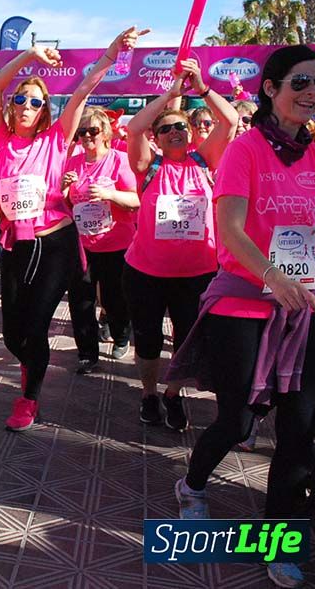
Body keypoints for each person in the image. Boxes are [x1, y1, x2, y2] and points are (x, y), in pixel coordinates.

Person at [169, 45, 315, 588]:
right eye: (299, 83)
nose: (311, 93)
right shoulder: (244, 150)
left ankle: (279, 538)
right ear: (270, 88)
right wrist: (273, 278)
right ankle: (193, 487)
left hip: (306, 305)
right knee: (238, 420)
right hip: (245, 300)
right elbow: (232, 232)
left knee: (297, 429)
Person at [0, 27, 147, 432]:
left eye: (35, 102)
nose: (25, 105)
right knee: (12, 335)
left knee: (35, 327)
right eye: (20, 99)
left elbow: (82, 92)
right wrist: (29, 57)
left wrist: (110, 53)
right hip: (14, 244)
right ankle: (29, 378)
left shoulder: (56, 140)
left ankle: (29, 399)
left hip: (54, 241)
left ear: (44, 111)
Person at [123, 58, 238, 430]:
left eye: (181, 127)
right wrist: (171, 94)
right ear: (157, 138)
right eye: (167, 128)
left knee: (186, 341)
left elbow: (231, 122)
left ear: (191, 133)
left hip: (197, 274)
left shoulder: (206, 162)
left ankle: (173, 395)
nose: (175, 131)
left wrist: (202, 87)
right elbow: (136, 126)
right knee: (148, 339)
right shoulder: (148, 166)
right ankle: (149, 394)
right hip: (145, 272)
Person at [63, 107, 139, 372]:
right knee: (81, 300)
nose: (87, 137)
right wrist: (63, 188)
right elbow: (62, 205)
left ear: (105, 133)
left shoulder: (119, 160)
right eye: (81, 132)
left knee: (115, 298)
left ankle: (120, 336)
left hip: (116, 244)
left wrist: (110, 194)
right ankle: (87, 352)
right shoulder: (71, 163)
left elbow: (135, 200)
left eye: (92, 131)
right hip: (82, 246)